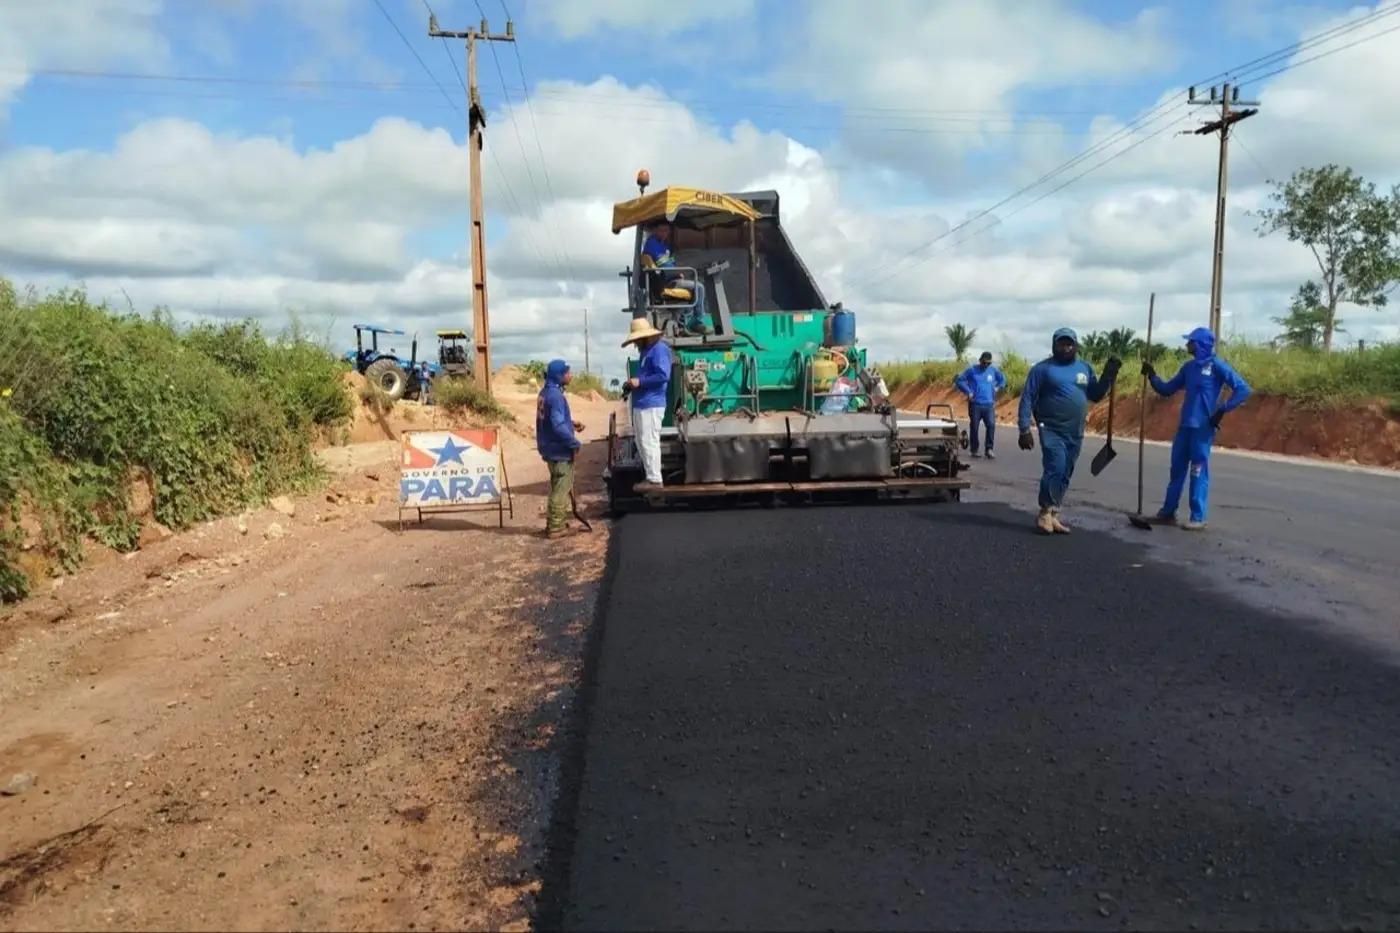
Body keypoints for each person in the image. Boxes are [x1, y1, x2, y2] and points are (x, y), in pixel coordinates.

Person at [1141, 326, 1251, 531]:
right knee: (1176, 470)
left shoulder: (1217, 365)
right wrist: (1152, 376)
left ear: (1200, 344)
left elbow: (1243, 389)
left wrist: (1223, 409)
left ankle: (1198, 516)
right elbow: (1167, 390)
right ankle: (1167, 512)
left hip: (1203, 428)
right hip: (1185, 427)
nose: (1186, 345)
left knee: (1198, 471)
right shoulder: (1188, 368)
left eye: (1190, 341)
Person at [1017, 327, 1121, 535]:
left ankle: (1054, 513)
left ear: (1075, 345)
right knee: (1055, 466)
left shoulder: (1084, 368)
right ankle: (1045, 511)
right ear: (1054, 345)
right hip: (1051, 427)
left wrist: (1109, 375)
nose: (1066, 347)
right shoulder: (1042, 369)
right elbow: (1028, 397)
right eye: (1062, 344)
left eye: (1069, 344)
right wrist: (1024, 429)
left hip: (1075, 430)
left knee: (1066, 471)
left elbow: (1096, 394)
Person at [535, 359, 585, 539]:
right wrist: (573, 442)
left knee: (557, 485)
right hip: (558, 450)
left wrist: (571, 423)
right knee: (561, 488)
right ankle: (556, 528)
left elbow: (552, 419)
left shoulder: (546, 392)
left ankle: (557, 521)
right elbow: (556, 426)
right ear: (559, 375)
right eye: (567, 372)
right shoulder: (556, 396)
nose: (570, 375)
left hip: (549, 448)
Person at [622, 317, 671, 488]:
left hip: (652, 403)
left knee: (649, 441)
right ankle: (650, 476)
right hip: (642, 403)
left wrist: (640, 382)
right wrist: (634, 384)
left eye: (636, 340)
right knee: (641, 441)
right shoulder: (646, 351)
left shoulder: (659, 350)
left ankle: (655, 479)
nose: (635, 344)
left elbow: (663, 376)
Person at [640, 222, 710, 336]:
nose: (664, 233)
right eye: (662, 230)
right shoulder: (652, 243)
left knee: (693, 291)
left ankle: (681, 326)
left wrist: (677, 272)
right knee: (699, 287)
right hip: (663, 281)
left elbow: (671, 262)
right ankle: (696, 322)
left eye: (666, 230)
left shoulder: (665, 245)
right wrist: (677, 272)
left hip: (670, 278)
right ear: (655, 231)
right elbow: (664, 265)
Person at [955, 351, 1007, 459]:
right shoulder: (972, 370)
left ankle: (989, 449)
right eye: (984, 363)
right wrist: (968, 391)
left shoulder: (993, 371)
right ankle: (974, 449)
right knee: (974, 426)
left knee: (991, 425)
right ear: (980, 361)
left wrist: (998, 387)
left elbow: (1003, 379)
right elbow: (959, 381)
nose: (986, 365)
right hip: (975, 404)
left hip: (988, 404)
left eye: (988, 363)